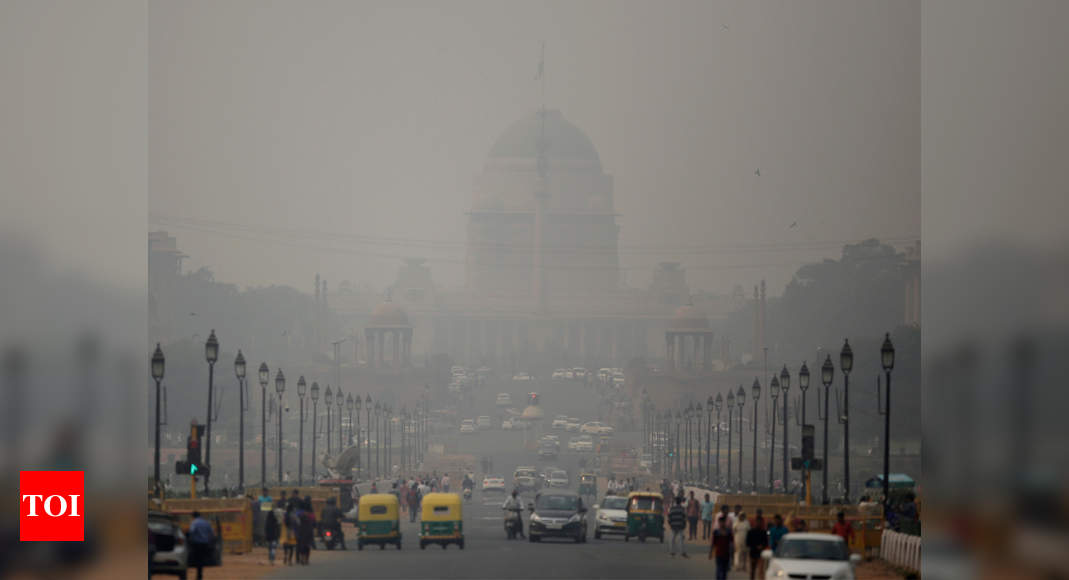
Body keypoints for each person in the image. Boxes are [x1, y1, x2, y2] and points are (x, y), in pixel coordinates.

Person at [187, 510, 216, 580]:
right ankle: (199, 574)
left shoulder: (194, 523)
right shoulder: (206, 523)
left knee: (196, 560)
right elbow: (211, 533)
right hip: (205, 544)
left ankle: (198, 575)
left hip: (196, 544)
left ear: (193, 516)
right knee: (201, 559)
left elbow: (191, 532)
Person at [708, 512, 734, 580]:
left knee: (725, 571)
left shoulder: (728, 532)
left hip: (726, 554)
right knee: (719, 570)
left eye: (723, 522)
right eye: (720, 522)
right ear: (719, 523)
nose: (721, 523)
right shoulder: (716, 532)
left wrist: (732, 554)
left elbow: (731, 543)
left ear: (725, 522)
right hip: (718, 553)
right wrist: (711, 553)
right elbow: (713, 543)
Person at [745, 513, 768, 580]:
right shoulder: (750, 532)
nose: (758, 523)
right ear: (755, 522)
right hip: (752, 553)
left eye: (760, 522)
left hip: (761, 554)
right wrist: (755, 546)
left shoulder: (764, 532)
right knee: (752, 571)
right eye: (757, 521)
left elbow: (766, 543)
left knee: (761, 571)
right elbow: (747, 543)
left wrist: (762, 546)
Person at [298, 498, 316, 565]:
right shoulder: (311, 515)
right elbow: (314, 524)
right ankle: (306, 559)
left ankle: (302, 558)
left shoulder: (300, 514)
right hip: (309, 531)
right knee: (308, 546)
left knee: (302, 545)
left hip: (301, 531)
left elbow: (297, 522)